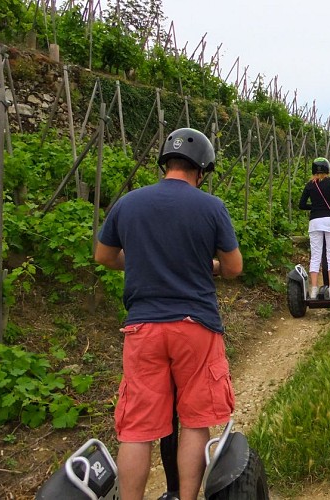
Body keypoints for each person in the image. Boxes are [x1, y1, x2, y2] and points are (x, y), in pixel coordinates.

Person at [94, 127, 243, 500]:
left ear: (165, 163)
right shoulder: (211, 206)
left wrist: (141, 260)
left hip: (143, 327)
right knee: (194, 422)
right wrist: (207, 266)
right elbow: (234, 267)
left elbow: (104, 257)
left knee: (138, 429)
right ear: (202, 169)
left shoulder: (129, 203)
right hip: (196, 327)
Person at [298, 157, 330, 299]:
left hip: (314, 222)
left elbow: (301, 205)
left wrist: (314, 207)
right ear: (328, 169)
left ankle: (313, 290)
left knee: (315, 256)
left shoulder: (309, 185)